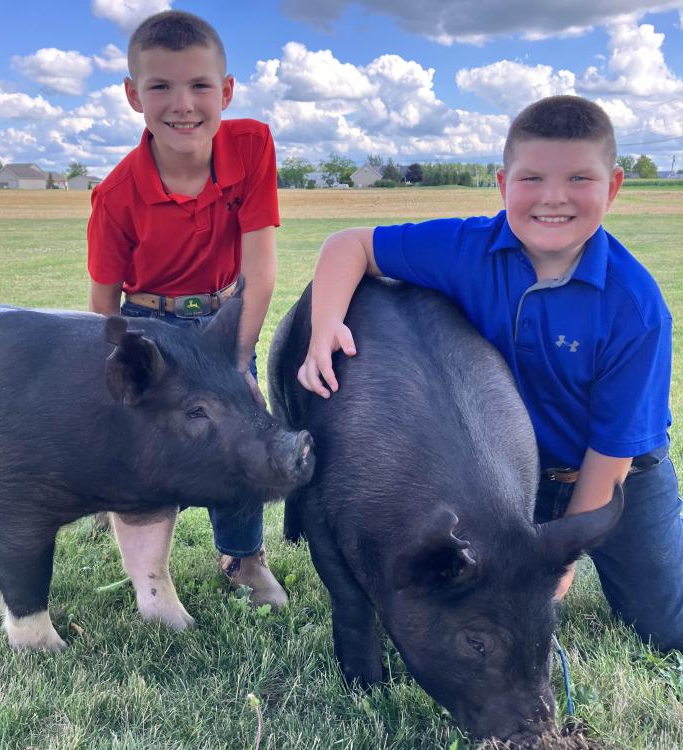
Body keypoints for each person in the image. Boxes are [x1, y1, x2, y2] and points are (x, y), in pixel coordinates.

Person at [298, 95, 683, 651]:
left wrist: (562, 555)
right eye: (532, 178)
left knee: (665, 630)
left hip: (616, 472)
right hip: (505, 467)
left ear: (614, 186)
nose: (553, 197)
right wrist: (326, 323)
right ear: (503, 183)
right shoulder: (465, 248)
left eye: (579, 178)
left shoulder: (636, 306)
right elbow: (349, 244)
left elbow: (613, 450)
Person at [87, 10, 287, 609]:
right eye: (160, 87)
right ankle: (149, 574)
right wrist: (121, 372)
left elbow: (262, 270)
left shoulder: (251, 146)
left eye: (200, 85)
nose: (183, 104)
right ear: (132, 96)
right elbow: (103, 305)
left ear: (225, 91)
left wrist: (238, 360)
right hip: (150, 324)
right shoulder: (117, 194)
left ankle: (243, 558)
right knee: (148, 451)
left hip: (225, 318)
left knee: (242, 431)